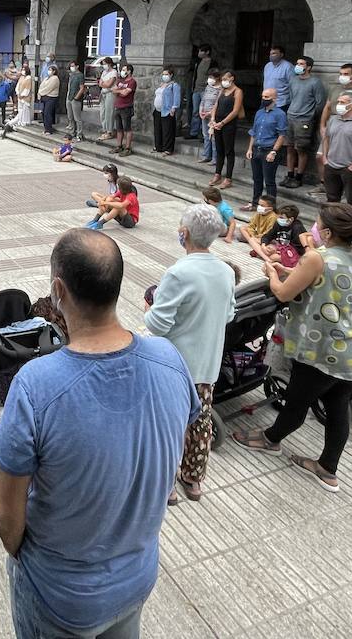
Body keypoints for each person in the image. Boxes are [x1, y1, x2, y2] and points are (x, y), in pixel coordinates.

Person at [0, 228, 200, 638]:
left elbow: (6, 510)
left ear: (58, 289)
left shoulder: (37, 383)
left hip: (59, 595)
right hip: (137, 576)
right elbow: (180, 435)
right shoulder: (169, 359)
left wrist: (26, 559)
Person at [233, 203, 352, 492]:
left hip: (322, 348)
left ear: (326, 231)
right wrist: (288, 268)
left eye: (318, 224)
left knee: (297, 400)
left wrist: (271, 272)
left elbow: (284, 292)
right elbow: (316, 277)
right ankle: (328, 468)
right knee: (338, 407)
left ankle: (270, 440)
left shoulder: (317, 256)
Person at [144, 203, 236, 502]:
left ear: (184, 233)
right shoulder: (225, 271)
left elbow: (158, 325)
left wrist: (149, 309)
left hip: (175, 366)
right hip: (207, 364)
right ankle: (193, 480)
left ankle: (167, 484)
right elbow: (229, 314)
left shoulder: (177, 273)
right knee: (200, 423)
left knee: (169, 425)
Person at [282, 55, 326, 188]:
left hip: (304, 119)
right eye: (297, 63)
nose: (298, 66)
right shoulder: (293, 80)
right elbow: (291, 97)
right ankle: (289, 175)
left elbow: (320, 103)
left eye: (301, 64)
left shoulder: (315, 82)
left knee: (301, 149)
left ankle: (299, 177)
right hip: (291, 116)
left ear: (308, 67)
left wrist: (310, 115)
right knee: (289, 147)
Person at [243, 86, 287, 211]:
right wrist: (249, 148)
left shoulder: (280, 114)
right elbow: (254, 132)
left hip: (269, 149)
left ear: (274, 98)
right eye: (263, 96)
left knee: (269, 180)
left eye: (267, 97)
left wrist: (274, 151)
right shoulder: (259, 112)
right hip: (257, 148)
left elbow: (282, 135)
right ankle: (255, 202)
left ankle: (270, 206)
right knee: (257, 178)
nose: (264, 99)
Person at [209, 70, 244, 188]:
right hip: (217, 122)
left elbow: (235, 111)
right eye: (223, 79)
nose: (223, 81)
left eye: (225, 79)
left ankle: (228, 178)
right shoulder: (222, 90)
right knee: (219, 150)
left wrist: (223, 123)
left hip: (228, 124)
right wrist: (213, 119)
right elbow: (215, 105)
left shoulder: (237, 91)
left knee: (229, 150)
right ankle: (217, 174)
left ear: (232, 78)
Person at [152, 66, 181, 156]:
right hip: (158, 110)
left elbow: (176, 97)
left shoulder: (174, 85)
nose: (164, 76)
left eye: (166, 74)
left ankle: (167, 148)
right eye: (163, 74)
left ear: (171, 75)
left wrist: (174, 108)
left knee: (167, 130)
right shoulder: (161, 85)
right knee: (158, 129)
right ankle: (158, 146)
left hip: (167, 110)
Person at [111, 64, 137, 156]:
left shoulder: (132, 82)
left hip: (126, 107)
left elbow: (125, 93)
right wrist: (120, 91)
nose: (122, 71)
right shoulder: (120, 80)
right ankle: (119, 146)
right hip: (118, 106)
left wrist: (120, 91)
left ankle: (128, 148)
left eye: (124, 70)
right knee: (119, 128)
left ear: (129, 71)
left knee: (127, 128)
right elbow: (114, 90)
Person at [263, 44, 293, 109]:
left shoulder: (288, 67)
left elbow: (292, 85)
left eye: (274, 53)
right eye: (270, 53)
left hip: (281, 103)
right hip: (266, 101)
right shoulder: (267, 66)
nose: (271, 55)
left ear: (281, 55)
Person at [96, 57, 118, 142]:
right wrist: (103, 84)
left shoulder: (114, 72)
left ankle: (110, 131)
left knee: (109, 112)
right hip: (103, 93)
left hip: (110, 93)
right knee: (103, 112)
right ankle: (104, 129)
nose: (104, 66)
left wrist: (103, 84)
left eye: (105, 64)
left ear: (110, 63)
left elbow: (109, 84)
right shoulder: (104, 72)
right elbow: (100, 83)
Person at [65, 60, 86, 141]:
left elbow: (82, 88)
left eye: (73, 66)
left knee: (77, 117)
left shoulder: (80, 75)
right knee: (70, 116)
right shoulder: (72, 75)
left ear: (77, 66)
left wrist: (76, 97)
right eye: (71, 66)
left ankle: (79, 134)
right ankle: (72, 132)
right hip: (69, 97)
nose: (72, 67)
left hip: (75, 98)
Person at [39, 64, 60, 135]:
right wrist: (40, 92)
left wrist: (41, 92)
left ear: (54, 71)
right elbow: (41, 86)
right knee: (44, 113)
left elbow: (49, 88)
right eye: (49, 70)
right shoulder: (46, 78)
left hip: (51, 97)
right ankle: (46, 128)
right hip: (45, 97)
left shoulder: (55, 78)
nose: (49, 71)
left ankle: (49, 129)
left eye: (50, 70)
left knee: (48, 113)